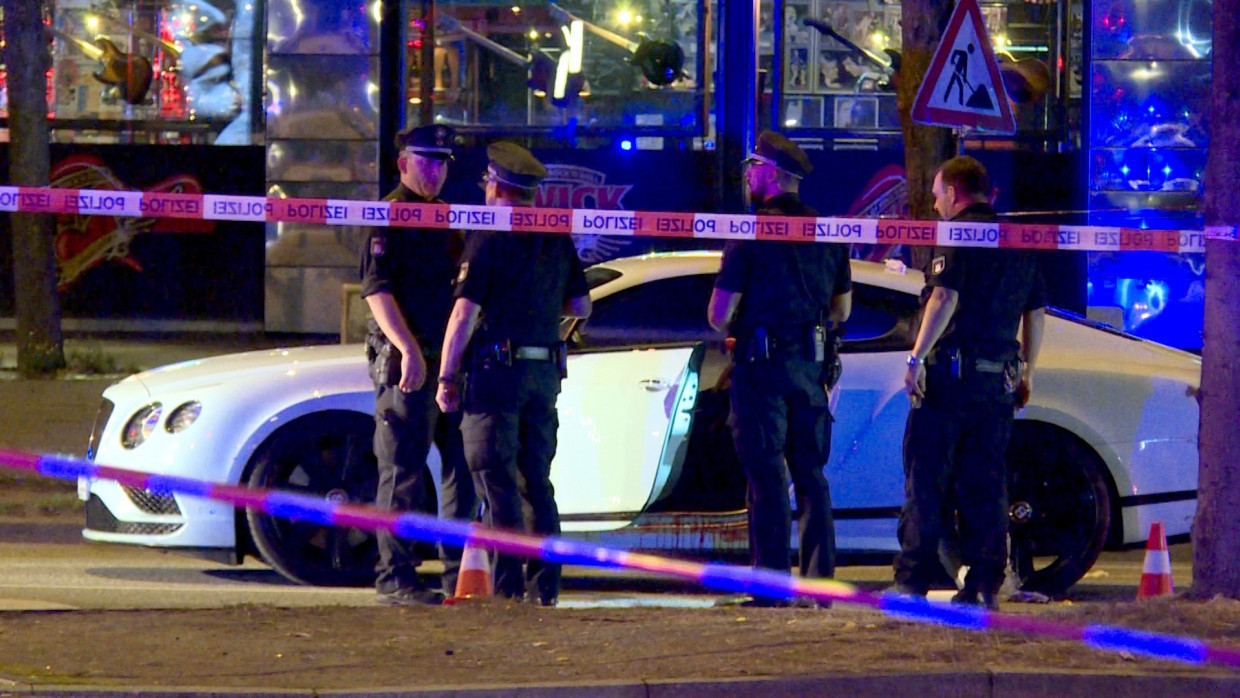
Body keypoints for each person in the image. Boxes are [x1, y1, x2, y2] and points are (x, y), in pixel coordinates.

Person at [435, 142, 592, 607]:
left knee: (496, 480)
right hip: (543, 373)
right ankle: (545, 589)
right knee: (537, 482)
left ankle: (506, 592)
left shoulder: (488, 234)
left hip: (497, 376)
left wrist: (446, 377)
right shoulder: (554, 234)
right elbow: (582, 305)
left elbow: (463, 314)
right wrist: (540, 310)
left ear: (497, 185)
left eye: (486, 182)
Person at [891, 155, 1046, 610]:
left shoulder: (957, 235)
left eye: (938, 195)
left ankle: (911, 582)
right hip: (996, 384)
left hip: (950, 382)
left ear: (955, 194)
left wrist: (916, 358)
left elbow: (944, 295)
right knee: (985, 487)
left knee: (926, 481)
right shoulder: (1017, 241)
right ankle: (982, 586)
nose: (936, 204)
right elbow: (1035, 313)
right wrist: (1028, 372)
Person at [707, 129, 853, 607]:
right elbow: (843, 311)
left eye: (753, 167)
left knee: (767, 478)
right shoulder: (828, 234)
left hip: (762, 371)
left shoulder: (749, 235)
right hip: (809, 370)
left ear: (770, 173)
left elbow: (719, 314)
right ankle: (819, 586)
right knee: (811, 476)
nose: (748, 175)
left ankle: (771, 588)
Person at [359, 123, 475, 606]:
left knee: (460, 471)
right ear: (403, 162)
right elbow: (376, 291)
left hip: (447, 360)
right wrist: (407, 348)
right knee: (402, 472)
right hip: (408, 361)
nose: (437, 169)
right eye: (427, 160)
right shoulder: (387, 214)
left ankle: (458, 578)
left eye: (444, 161)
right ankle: (395, 579)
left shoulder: (448, 216)